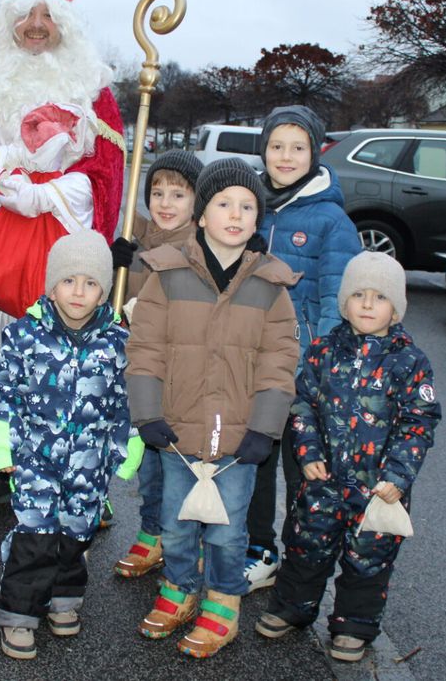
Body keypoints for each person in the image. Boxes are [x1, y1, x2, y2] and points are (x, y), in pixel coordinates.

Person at [0, 0, 124, 515]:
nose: (37, 25)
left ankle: (81, 477)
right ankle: (3, 469)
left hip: (67, 255)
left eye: (49, 14)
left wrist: (48, 192)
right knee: (4, 362)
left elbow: (107, 175)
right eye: (27, 13)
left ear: (66, 22)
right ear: (9, 20)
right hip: (2, 253)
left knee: (74, 368)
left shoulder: (93, 89)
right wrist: (11, 170)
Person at [126, 159, 300, 659]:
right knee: (176, 524)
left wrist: (265, 428)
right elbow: (146, 349)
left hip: (239, 439)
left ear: (258, 218)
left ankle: (222, 605)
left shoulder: (269, 285)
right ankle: (179, 589)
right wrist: (148, 414)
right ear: (202, 215)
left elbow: (279, 361)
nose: (236, 214)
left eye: (247, 206)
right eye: (224, 203)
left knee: (227, 534)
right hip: (177, 432)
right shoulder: (168, 274)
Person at [256, 252, 441, 662]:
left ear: (397, 308)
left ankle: (354, 625)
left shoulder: (410, 362)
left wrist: (398, 476)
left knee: (369, 559)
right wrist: (307, 452)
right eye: (359, 295)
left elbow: (419, 422)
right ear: (344, 302)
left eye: (380, 297)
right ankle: (292, 608)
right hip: (321, 482)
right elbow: (302, 406)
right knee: (305, 546)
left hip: (378, 490)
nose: (368, 304)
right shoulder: (322, 352)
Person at [0, 231, 139, 659]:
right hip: (35, 458)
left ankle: (64, 596)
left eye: (90, 283)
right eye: (68, 281)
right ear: (51, 286)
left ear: (103, 292)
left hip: (89, 463)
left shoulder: (117, 342)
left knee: (77, 532)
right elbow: (2, 397)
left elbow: (125, 403)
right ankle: (19, 614)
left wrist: (127, 452)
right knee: (35, 534)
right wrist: (2, 451)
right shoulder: (24, 335)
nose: (78, 292)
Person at [244, 104, 362, 593]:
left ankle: (299, 557)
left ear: (315, 153)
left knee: (302, 467)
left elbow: (339, 298)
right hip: (249, 361)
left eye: (298, 147)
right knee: (254, 460)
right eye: (276, 146)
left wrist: (320, 367)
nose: (286, 156)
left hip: (300, 368)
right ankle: (258, 548)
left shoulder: (331, 220)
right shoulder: (248, 204)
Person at [108, 149, 202, 579]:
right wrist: (116, 265)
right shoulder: (137, 236)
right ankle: (152, 531)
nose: (165, 203)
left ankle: (179, 537)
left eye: (178, 195)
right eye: (158, 193)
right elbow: (117, 303)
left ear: (197, 201)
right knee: (147, 463)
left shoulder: (197, 246)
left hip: (179, 376)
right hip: (142, 374)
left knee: (175, 464)